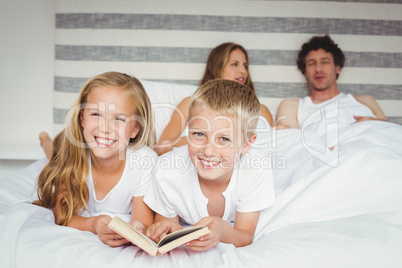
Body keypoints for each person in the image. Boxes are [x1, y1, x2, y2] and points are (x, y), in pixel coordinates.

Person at [144, 79, 275, 251]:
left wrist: (223, 231)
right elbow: (165, 223)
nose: (208, 151)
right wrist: (165, 230)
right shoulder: (167, 171)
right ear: (188, 130)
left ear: (246, 145)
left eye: (224, 139)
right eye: (199, 134)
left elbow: (245, 235)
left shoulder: (256, 169)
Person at [34, 72, 157, 247]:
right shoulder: (72, 152)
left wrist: (135, 229)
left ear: (135, 130)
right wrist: (94, 224)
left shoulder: (145, 161)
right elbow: (62, 215)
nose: (105, 128)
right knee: (52, 152)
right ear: (82, 118)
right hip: (64, 146)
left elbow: (143, 222)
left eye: (119, 119)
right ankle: (45, 139)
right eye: (96, 115)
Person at [154, 42, 274, 156]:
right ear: (217, 67)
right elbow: (164, 145)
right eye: (234, 64)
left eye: (245, 66)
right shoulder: (190, 103)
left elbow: (277, 145)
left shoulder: (261, 110)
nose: (243, 71)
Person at [275, 35, 387, 132]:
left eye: (325, 62)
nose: (318, 69)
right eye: (311, 63)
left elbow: (389, 130)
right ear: (305, 71)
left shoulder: (365, 100)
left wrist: (373, 123)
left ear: (338, 68)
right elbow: (288, 136)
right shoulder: (294, 105)